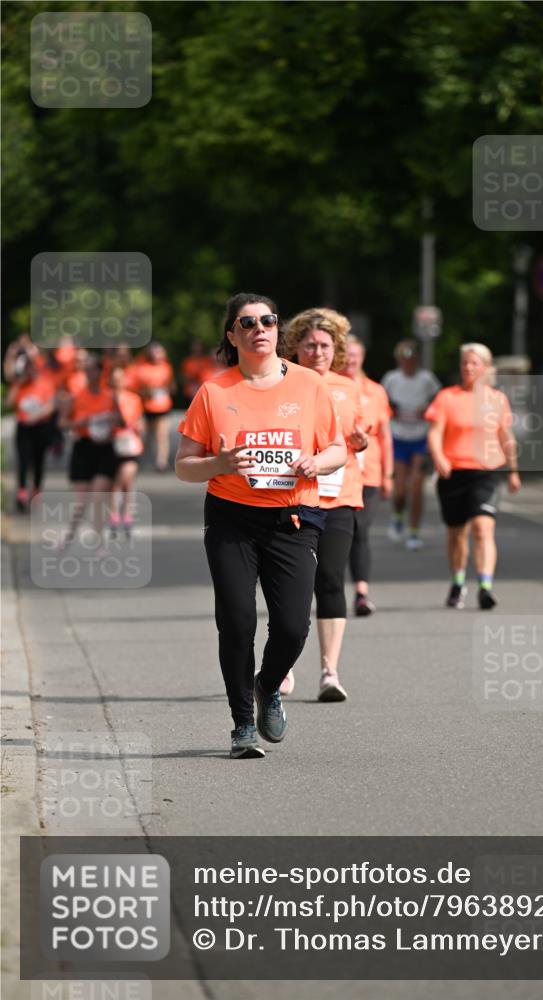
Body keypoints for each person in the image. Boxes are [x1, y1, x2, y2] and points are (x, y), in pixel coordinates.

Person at [175, 293, 346, 759]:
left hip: (293, 517)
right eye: (247, 323)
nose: (259, 329)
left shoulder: (309, 384)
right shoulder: (214, 392)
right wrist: (219, 463)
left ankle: (267, 685)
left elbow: (337, 449)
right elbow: (184, 466)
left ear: (277, 328)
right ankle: (242, 726)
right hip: (231, 517)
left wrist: (316, 463)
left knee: (292, 626)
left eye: (267, 320)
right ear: (232, 336)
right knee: (236, 620)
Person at [283, 308, 367, 700]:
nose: (317, 352)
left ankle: (329, 672)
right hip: (294, 496)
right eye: (310, 345)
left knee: (331, 578)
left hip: (340, 495)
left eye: (325, 346)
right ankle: (281, 665)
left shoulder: (348, 387)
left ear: (336, 351)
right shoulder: (283, 383)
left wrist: (361, 442)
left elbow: (355, 436)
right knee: (292, 584)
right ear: (295, 348)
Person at [426, 342, 521, 610]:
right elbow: (435, 433)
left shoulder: (497, 399)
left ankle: (485, 586)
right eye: (464, 363)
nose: (468, 368)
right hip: (453, 471)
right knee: (457, 533)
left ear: (486, 368)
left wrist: (513, 470)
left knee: (482, 527)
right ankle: (458, 582)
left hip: (485, 472)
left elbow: (505, 435)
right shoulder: (447, 397)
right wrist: (439, 457)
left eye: (474, 363)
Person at [343, 334, 393, 616]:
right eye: (346, 353)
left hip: (369, 472)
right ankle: (329, 588)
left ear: (362, 357)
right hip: (337, 472)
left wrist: (389, 474)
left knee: (360, 531)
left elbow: (385, 435)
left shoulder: (376, 391)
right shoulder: (329, 386)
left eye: (355, 354)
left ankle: (361, 594)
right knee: (339, 533)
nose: (351, 359)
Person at [382, 339, 440, 549]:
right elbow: (382, 401)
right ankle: (398, 516)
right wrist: (392, 409)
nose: (408, 363)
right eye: (404, 359)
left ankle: (414, 532)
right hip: (398, 437)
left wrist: (427, 409)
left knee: (416, 487)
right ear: (399, 360)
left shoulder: (426, 379)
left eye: (412, 359)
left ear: (417, 359)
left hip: (420, 439)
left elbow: (439, 400)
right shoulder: (391, 379)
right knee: (400, 491)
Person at [58, 354, 118, 553]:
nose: (89, 373)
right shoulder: (76, 397)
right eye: (86, 369)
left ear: (100, 372)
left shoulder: (110, 396)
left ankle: (100, 543)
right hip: (83, 448)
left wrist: (112, 420)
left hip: (105, 449)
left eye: (93, 369)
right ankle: (68, 536)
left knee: (99, 496)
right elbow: (62, 423)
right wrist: (80, 423)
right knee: (82, 502)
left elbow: (122, 421)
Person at [8, 357, 57, 510]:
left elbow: (51, 406)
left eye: (31, 368)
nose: (29, 371)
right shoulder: (20, 385)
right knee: (23, 459)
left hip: (40, 428)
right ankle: (22, 491)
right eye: (26, 368)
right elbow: (8, 403)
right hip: (24, 428)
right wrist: (18, 384)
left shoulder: (46, 384)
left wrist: (36, 416)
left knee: (38, 461)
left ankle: (36, 489)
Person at [108, 365, 145, 538]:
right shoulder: (106, 399)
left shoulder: (134, 398)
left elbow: (139, 420)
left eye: (120, 378)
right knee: (115, 483)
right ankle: (114, 515)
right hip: (112, 444)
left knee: (127, 480)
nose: (117, 382)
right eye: (114, 379)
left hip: (130, 445)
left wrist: (138, 427)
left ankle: (127, 515)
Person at [131, 342, 175, 471]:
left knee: (162, 435)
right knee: (146, 435)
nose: (158, 355)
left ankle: (161, 462)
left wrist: (166, 390)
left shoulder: (166, 367)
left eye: (160, 352)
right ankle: (141, 459)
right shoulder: (141, 368)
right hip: (145, 407)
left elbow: (171, 385)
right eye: (155, 352)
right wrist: (146, 392)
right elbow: (134, 389)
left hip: (162, 406)